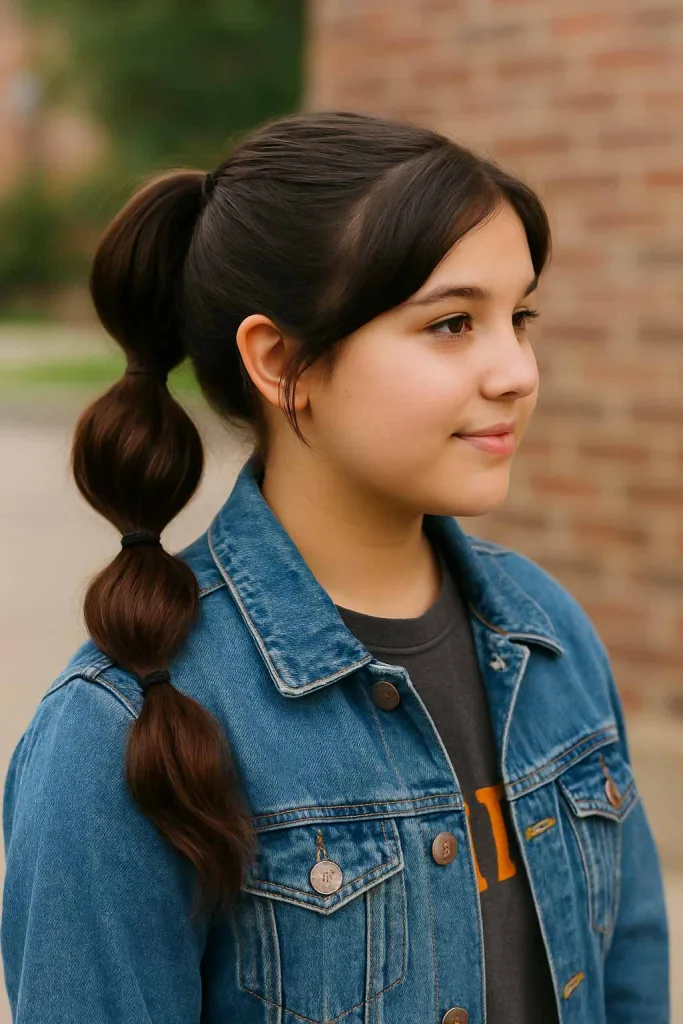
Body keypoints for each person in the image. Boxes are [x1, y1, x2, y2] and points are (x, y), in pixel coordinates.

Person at [1, 110, 669, 1024]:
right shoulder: (121, 730)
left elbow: (630, 980)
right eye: (450, 324)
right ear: (281, 363)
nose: (515, 370)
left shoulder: (549, 638)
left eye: (518, 317)